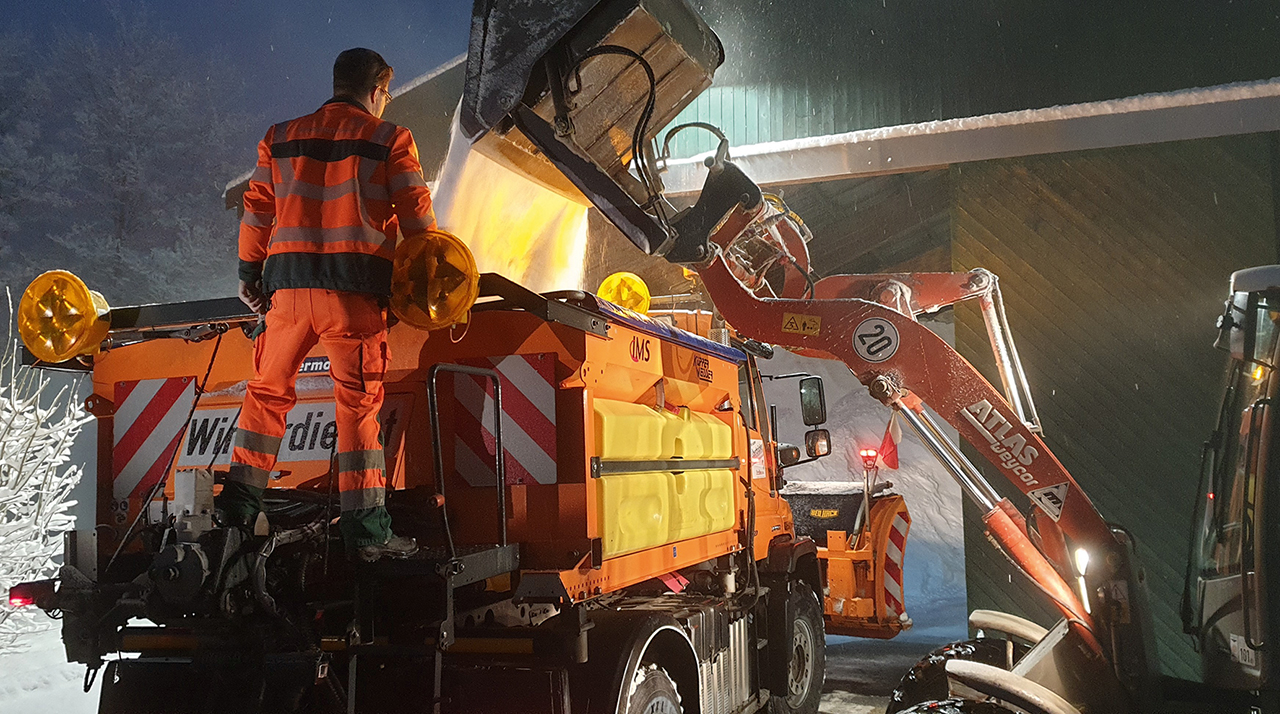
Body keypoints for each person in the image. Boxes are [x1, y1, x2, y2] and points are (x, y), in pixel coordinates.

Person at [218, 48, 436, 562]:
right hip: (353, 298)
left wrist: (250, 273)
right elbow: (419, 223)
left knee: (265, 396)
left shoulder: (281, 137)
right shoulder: (390, 140)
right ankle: (366, 532)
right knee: (358, 406)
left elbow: (256, 212)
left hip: (287, 296)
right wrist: (425, 285)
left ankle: (236, 515)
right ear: (378, 89)